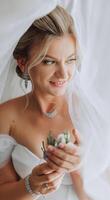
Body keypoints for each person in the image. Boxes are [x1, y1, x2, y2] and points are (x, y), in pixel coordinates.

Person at [0, 5, 91, 200]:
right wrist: (30, 186)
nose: (64, 73)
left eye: (70, 60)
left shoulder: (87, 111)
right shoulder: (6, 117)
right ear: (23, 62)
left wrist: (79, 168)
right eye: (49, 61)